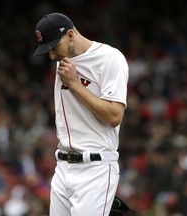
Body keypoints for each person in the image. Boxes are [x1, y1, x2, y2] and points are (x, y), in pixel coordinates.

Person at [33, 13, 129, 216]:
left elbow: (114, 116)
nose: (51, 56)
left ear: (70, 35)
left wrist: (76, 84)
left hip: (95, 168)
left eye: (53, 47)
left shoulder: (110, 58)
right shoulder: (63, 61)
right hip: (62, 166)